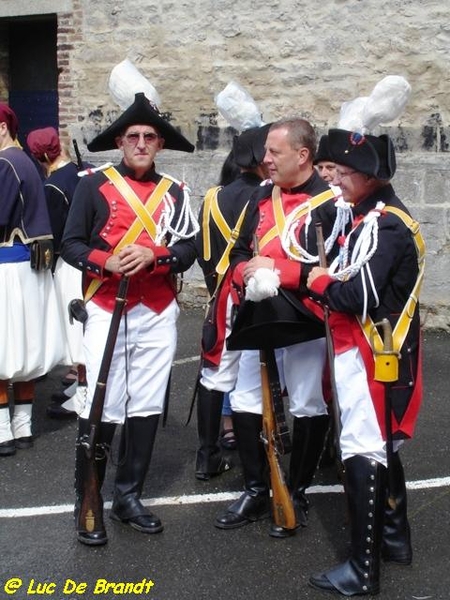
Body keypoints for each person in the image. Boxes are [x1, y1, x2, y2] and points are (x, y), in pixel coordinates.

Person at [61, 92, 198, 545]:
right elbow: (72, 244)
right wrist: (107, 262)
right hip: (105, 308)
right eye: (133, 136)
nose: (141, 143)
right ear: (120, 141)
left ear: (160, 144)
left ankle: (128, 497)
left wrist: (156, 255)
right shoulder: (92, 185)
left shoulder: (176, 192)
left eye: (150, 137)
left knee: (145, 404)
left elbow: (189, 250)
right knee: (102, 402)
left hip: (156, 311)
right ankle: (90, 497)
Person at [306, 128, 423, 595]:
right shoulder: (367, 216)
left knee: (364, 450)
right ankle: (394, 541)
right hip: (368, 349)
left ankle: (362, 570)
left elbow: (357, 294)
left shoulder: (387, 223)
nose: (336, 180)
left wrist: (318, 283)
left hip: (375, 353)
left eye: (345, 172)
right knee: (380, 449)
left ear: (371, 176)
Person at [215, 117, 341, 537]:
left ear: (303, 156)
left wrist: (279, 270)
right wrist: (245, 273)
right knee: (247, 398)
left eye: (275, 152)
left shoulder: (331, 203)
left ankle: (297, 490)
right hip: (258, 310)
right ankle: (256, 488)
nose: (265, 160)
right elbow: (236, 252)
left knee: (306, 402)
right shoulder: (259, 197)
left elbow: (337, 269)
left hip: (304, 316)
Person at [194, 125, 270, 480]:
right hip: (256, 299)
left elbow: (201, 250)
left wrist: (216, 284)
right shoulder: (268, 198)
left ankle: (207, 456)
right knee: (255, 383)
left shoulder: (212, 197)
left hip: (218, 297)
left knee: (214, 379)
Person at [0, 104, 64, 456]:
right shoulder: (26, 161)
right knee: (23, 348)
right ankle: (22, 426)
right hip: (28, 269)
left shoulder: (5, 162)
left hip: (8, 268)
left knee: (4, 348)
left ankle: (2, 431)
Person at [27, 126, 91, 419]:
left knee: (76, 332)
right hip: (90, 260)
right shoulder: (82, 173)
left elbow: (53, 233)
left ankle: (84, 394)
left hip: (71, 261)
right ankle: (80, 388)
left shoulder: (52, 187)